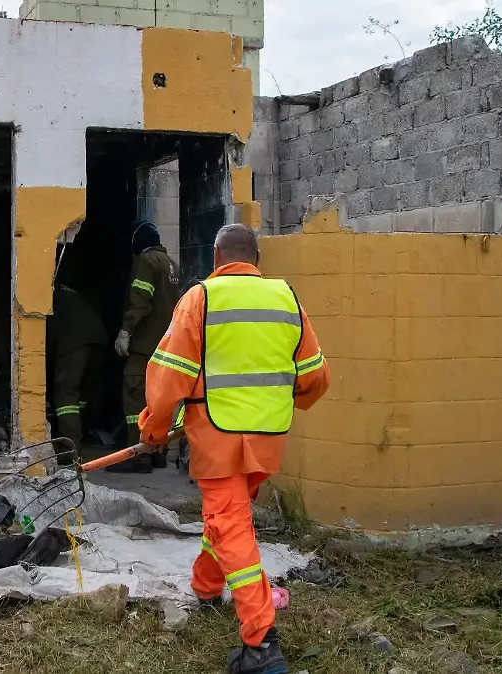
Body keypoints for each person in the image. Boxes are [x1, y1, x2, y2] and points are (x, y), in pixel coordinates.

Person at [136, 224, 330, 674]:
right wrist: (281, 402)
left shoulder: (202, 298)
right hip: (268, 437)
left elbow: (171, 373)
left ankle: (261, 643)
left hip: (219, 436)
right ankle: (206, 589)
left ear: (216, 256)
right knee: (228, 517)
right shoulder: (286, 298)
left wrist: (154, 426)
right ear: (257, 259)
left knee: (232, 527)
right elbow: (315, 377)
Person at [108, 221, 179, 473]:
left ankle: (135, 455)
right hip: (166, 346)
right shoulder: (171, 264)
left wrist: (126, 331)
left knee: (134, 399)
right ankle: (158, 451)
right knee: (158, 402)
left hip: (145, 346)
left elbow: (140, 301)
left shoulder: (147, 262)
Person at [47, 281, 108, 456]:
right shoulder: (65, 290)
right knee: (83, 394)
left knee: (65, 393)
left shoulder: (43, 295)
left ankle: (69, 449)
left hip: (75, 340)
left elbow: (47, 339)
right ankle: (83, 432)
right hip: (98, 337)